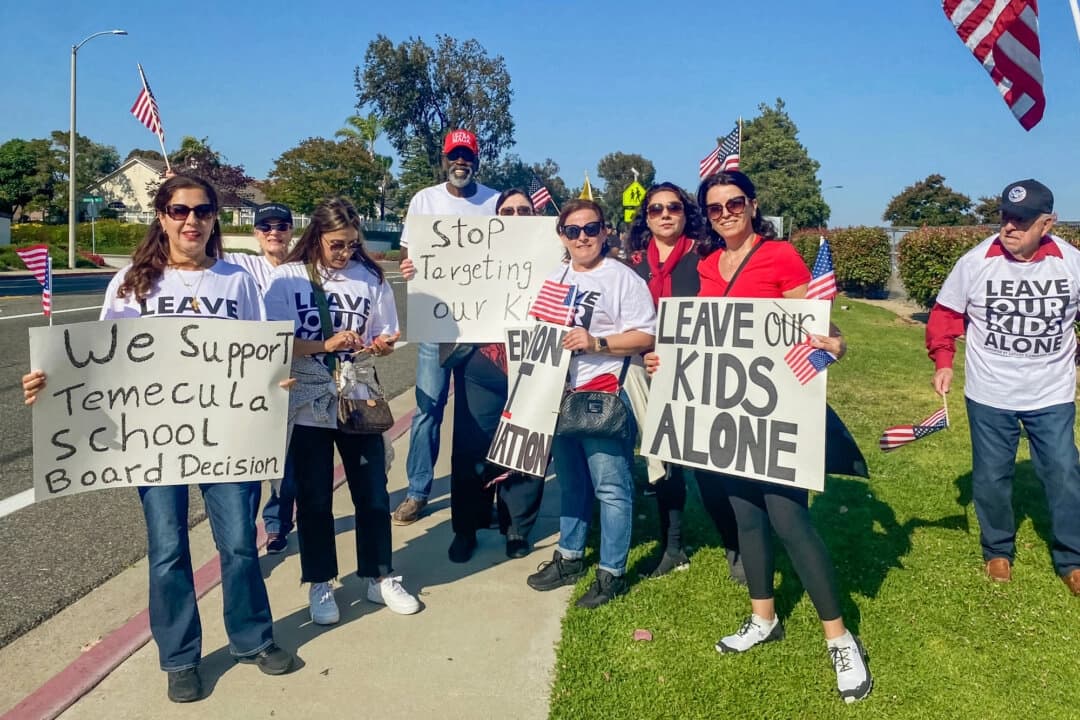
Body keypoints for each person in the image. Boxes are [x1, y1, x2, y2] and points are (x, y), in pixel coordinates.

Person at [22, 175, 295, 703]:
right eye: (179, 210)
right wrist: (49, 385)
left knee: (240, 543)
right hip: (154, 442)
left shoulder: (237, 281)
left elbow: (261, 352)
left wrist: (273, 379)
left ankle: (253, 638)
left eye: (203, 210)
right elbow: (97, 362)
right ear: (162, 217)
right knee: (168, 550)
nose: (192, 220)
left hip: (226, 436)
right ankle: (180, 657)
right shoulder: (131, 283)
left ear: (215, 218)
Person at [646, 171, 870, 703]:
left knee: (790, 520)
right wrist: (666, 359)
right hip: (728, 416)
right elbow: (705, 336)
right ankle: (763, 617)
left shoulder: (780, 257)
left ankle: (839, 638)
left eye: (734, 203)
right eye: (715, 207)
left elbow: (817, 325)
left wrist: (835, 344)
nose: (726, 213)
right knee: (746, 516)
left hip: (776, 413)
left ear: (752, 205)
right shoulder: (706, 264)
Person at [263, 196, 420, 625]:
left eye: (352, 243)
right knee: (314, 498)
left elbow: (386, 333)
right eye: (337, 244)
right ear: (317, 236)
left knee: (372, 492)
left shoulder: (370, 278)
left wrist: (382, 345)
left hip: (357, 395)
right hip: (308, 400)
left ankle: (379, 574)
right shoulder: (288, 278)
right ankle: (320, 581)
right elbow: (274, 344)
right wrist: (324, 344)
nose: (345, 252)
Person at [927, 178, 1080, 596]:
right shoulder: (975, 262)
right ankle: (997, 550)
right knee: (992, 476)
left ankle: (1072, 558)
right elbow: (945, 315)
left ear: (1047, 223)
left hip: (1052, 393)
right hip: (990, 393)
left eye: (1022, 221)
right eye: (1006, 217)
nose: (1010, 227)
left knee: (1064, 472)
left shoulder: (1071, 262)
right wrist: (943, 361)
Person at [525, 199, 656, 608]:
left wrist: (596, 342)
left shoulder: (623, 279)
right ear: (562, 236)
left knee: (611, 487)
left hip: (605, 393)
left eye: (591, 229)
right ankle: (569, 557)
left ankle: (612, 573)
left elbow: (646, 336)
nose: (582, 237)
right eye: (573, 230)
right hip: (558, 393)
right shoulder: (556, 277)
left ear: (605, 231)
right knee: (572, 483)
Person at [624, 182, 743, 582]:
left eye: (672, 207)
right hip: (650, 372)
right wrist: (644, 351)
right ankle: (672, 547)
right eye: (655, 209)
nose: (664, 215)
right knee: (664, 465)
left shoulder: (705, 257)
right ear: (646, 217)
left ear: (685, 212)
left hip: (698, 374)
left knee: (710, 465)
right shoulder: (633, 266)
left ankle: (735, 545)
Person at [391, 129, 500, 526]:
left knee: (480, 416)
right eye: (454, 155)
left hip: (481, 327)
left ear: (477, 160)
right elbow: (409, 252)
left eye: (467, 156)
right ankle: (418, 491)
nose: (460, 162)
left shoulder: (494, 201)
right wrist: (409, 266)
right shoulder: (425, 200)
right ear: (444, 159)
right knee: (427, 409)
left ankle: (483, 493)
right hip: (436, 326)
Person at [223, 202, 296, 554]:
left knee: (286, 460)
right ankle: (244, 536)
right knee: (250, 459)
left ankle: (277, 523)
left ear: (291, 231)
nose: (273, 233)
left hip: (292, 374)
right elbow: (195, 244)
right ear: (255, 233)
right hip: (249, 378)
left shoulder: (302, 269)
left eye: (281, 226)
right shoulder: (240, 265)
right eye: (265, 227)